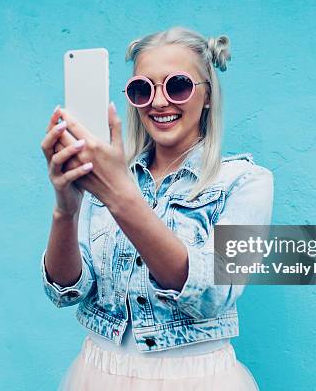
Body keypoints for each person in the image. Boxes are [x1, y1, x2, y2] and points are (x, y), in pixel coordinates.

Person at [40, 27, 273, 390]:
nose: (159, 102)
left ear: (207, 94)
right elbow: (66, 291)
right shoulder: (108, 177)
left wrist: (120, 196)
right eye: (142, 90)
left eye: (177, 85)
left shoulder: (246, 183)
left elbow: (213, 293)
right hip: (97, 374)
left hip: (195, 381)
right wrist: (65, 211)